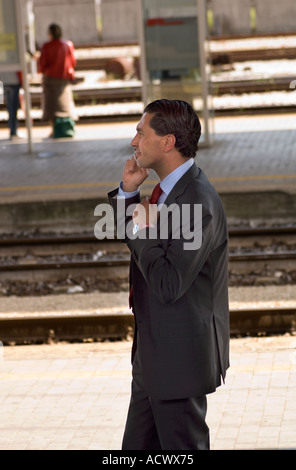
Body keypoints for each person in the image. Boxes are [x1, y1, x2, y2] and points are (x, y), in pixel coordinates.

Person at [108, 99, 230, 450]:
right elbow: (133, 234)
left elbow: (167, 283)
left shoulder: (197, 202)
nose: (134, 142)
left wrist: (142, 229)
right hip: (153, 357)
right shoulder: (169, 193)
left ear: (167, 142)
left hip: (179, 362)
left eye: (140, 132)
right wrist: (129, 192)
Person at [38, 23, 77, 137]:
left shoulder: (46, 46)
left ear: (50, 34)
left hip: (49, 79)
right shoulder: (68, 45)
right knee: (66, 104)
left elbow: (42, 64)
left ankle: (53, 129)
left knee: (51, 106)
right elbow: (73, 62)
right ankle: (69, 127)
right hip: (64, 79)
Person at [0, 71, 24, 140]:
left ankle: (13, 130)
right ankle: (13, 131)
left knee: (10, 107)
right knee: (13, 107)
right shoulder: (14, 61)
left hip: (4, 82)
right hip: (14, 82)